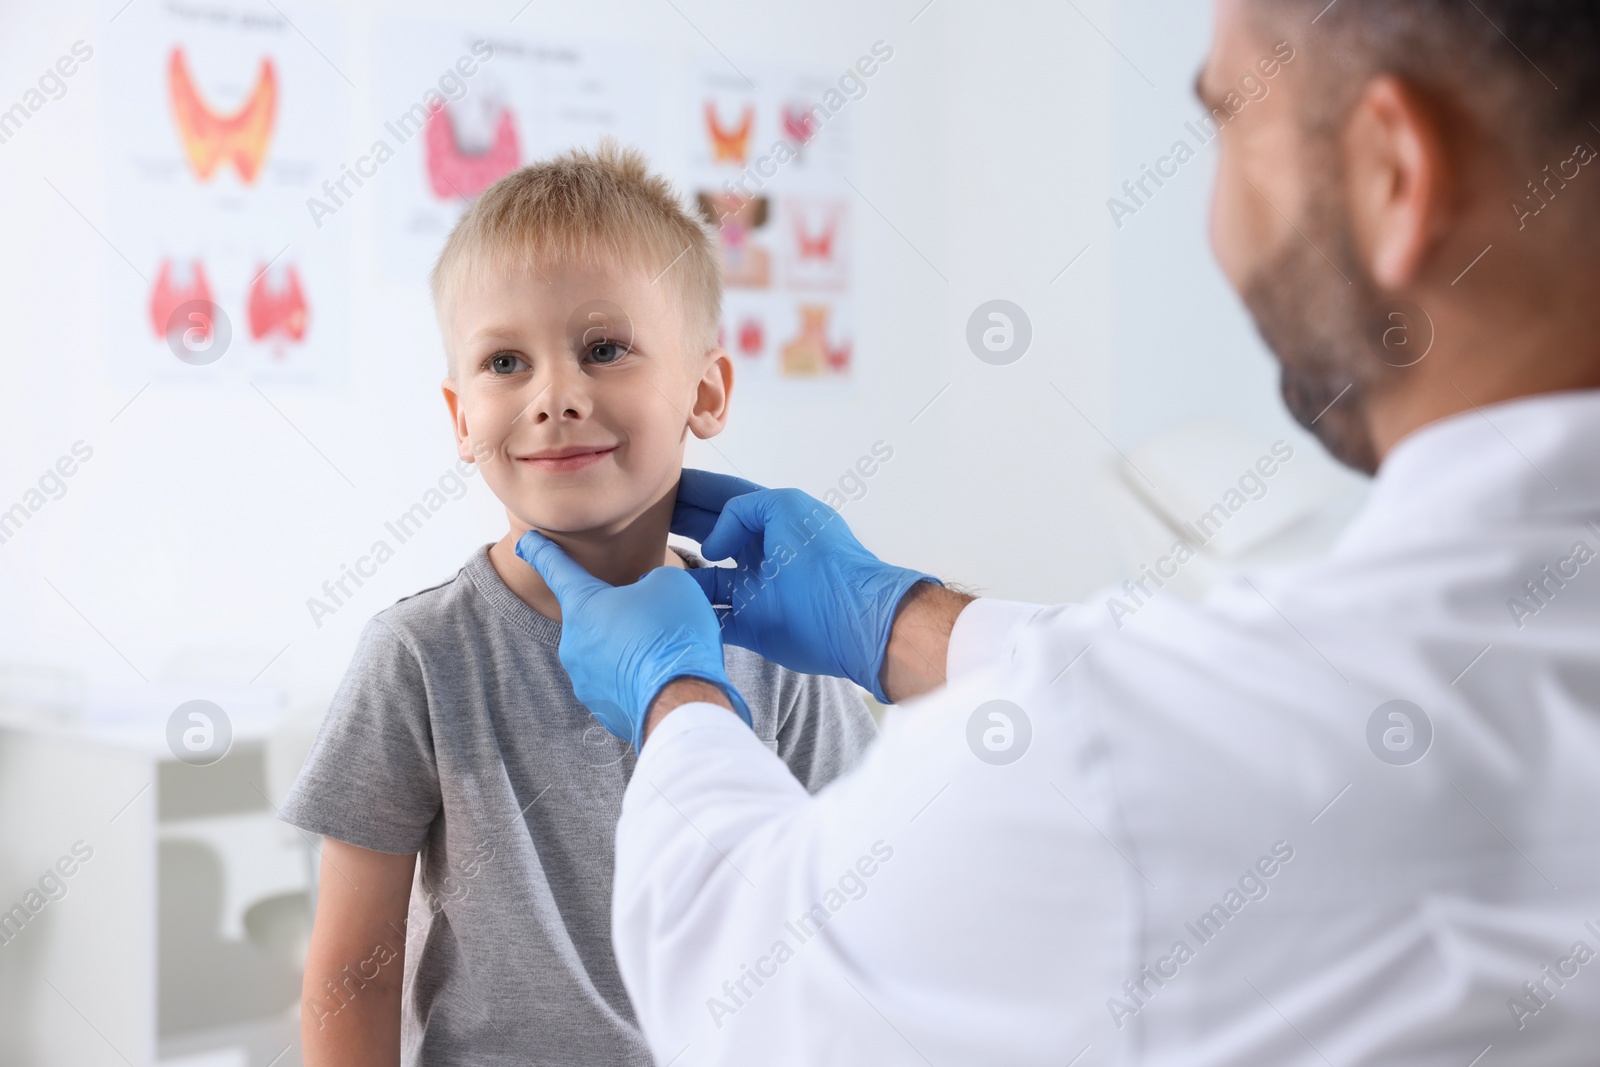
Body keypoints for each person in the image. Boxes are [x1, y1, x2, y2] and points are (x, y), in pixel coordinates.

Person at [518, 1, 1600, 1063]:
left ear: (1391, 174)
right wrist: (907, 622)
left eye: (1227, 122)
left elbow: (748, 984)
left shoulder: (1113, 769)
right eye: (504, 358)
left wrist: (676, 697)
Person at [279, 144, 878, 1066]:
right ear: (460, 418)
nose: (555, 396)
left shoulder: (785, 642)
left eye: (605, 348)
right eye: (505, 361)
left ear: (706, 391)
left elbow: (849, 921)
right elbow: (349, 971)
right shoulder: (419, 657)